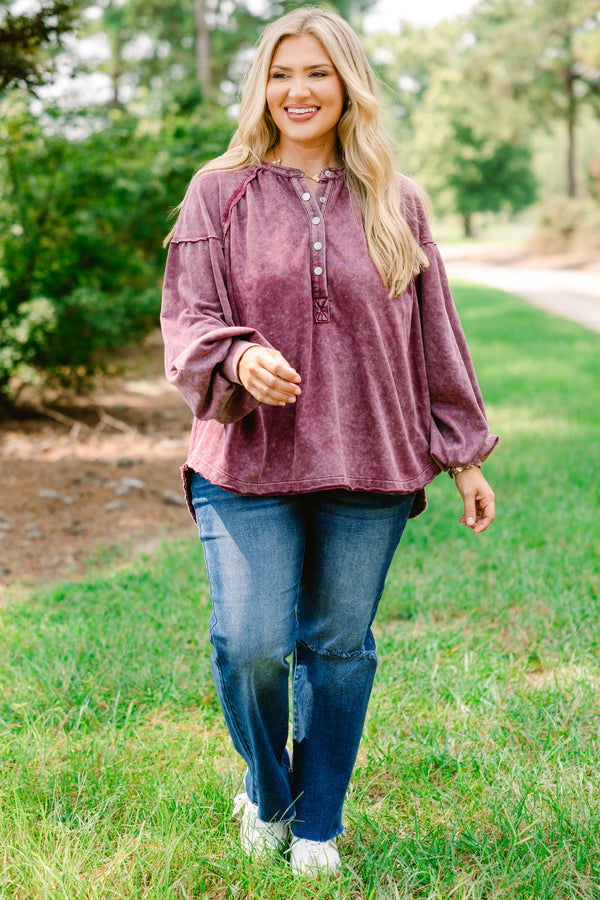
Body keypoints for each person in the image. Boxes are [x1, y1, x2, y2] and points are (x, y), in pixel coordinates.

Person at [160, 5, 498, 878]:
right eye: (281, 74)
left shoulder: (397, 200)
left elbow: (436, 336)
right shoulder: (218, 190)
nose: (297, 91)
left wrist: (460, 453)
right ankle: (267, 791)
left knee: (338, 644)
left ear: (348, 84)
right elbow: (187, 320)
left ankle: (318, 822)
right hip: (247, 459)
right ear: (260, 87)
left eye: (316, 73)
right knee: (253, 641)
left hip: (370, 457)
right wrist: (236, 358)